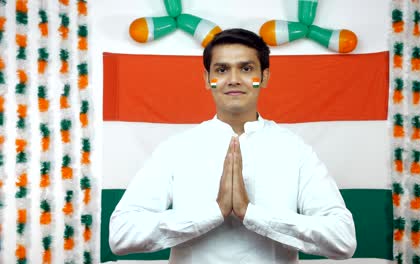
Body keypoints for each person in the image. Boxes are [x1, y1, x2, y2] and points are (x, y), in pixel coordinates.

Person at [109, 28, 356, 263]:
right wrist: (212, 213)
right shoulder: (176, 149)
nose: (234, 79)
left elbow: (343, 239)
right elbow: (121, 235)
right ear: (207, 79)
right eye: (222, 69)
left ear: (265, 77)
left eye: (247, 68)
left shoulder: (295, 150)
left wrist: (253, 215)